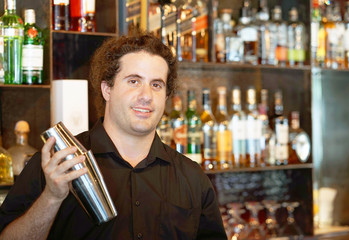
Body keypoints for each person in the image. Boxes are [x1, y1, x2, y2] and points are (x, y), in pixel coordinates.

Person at [0, 32, 227, 239]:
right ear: (107, 89)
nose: (146, 96)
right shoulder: (56, 164)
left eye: (156, 85)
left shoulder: (192, 177)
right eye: (134, 81)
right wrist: (51, 197)